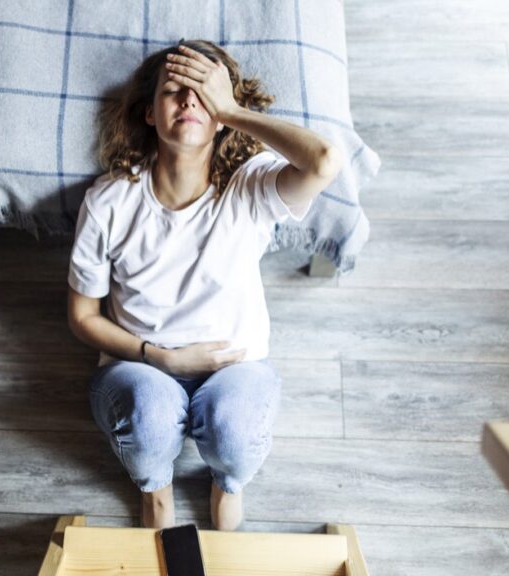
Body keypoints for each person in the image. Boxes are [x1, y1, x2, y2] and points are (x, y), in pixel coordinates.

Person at [66, 39, 342, 531]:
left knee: (233, 432)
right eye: (175, 91)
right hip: (140, 367)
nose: (190, 101)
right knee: (150, 419)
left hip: (235, 369)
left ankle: (227, 483)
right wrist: (160, 357)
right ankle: (155, 488)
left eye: (203, 94)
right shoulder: (109, 201)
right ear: (150, 113)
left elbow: (322, 161)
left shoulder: (250, 186)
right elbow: (83, 316)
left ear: (220, 116)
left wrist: (231, 108)